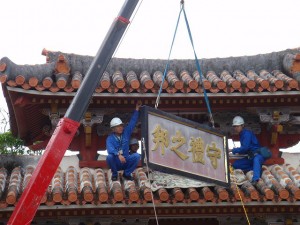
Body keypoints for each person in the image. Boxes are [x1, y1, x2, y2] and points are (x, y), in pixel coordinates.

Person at [106, 101, 142, 181]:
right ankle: (114, 174)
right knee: (109, 157)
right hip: (117, 161)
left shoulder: (126, 132)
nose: (121, 128)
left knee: (136, 156)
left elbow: (132, 123)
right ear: (113, 129)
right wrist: (118, 155)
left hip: (126, 160)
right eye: (118, 127)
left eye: (121, 126)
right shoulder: (110, 138)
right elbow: (110, 149)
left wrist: (137, 109)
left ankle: (127, 174)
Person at [229, 116, 265, 186]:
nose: (236, 128)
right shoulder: (242, 134)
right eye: (235, 126)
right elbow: (245, 150)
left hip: (258, 155)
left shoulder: (247, 134)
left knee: (256, 160)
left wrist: (232, 150)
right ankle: (255, 168)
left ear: (242, 126)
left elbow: (244, 148)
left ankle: (256, 179)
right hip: (250, 156)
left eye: (237, 126)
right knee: (236, 164)